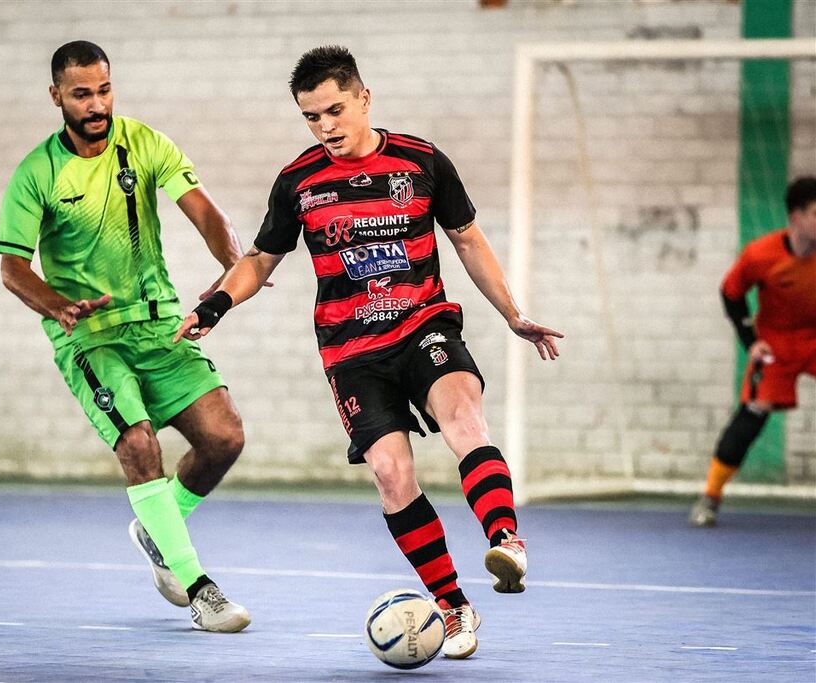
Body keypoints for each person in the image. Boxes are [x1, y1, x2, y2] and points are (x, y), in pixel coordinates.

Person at [175, 45, 562, 658]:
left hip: (424, 325)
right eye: (311, 116)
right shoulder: (299, 181)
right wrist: (215, 307)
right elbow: (259, 261)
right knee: (390, 473)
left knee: (463, 417)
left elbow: (467, 241)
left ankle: (507, 540)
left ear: (364, 98)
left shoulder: (422, 161)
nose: (325, 126)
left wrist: (512, 315)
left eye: (334, 110)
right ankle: (455, 609)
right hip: (350, 350)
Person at [0, 41, 250, 632]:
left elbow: (207, 214)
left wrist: (231, 272)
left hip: (157, 323)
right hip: (91, 338)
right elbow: (12, 269)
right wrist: (59, 307)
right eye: (81, 94)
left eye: (104, 90)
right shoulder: (38, 173)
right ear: (56, 96)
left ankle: (158, 531)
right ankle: (200, 589)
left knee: (225, 437)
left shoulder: (143, 143)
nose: (96, 104)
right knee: (138, 445)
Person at [690, 176, 816, 527]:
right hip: (776, 341)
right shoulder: (761, 255)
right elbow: (731, 293)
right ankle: (710, 497)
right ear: (796, 217)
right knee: (752, 415)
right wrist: (752, 342)